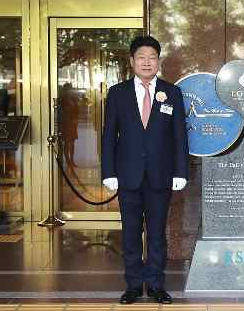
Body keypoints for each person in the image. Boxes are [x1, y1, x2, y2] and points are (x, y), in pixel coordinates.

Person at [101, 36, 189, 305]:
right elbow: (108, 137)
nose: (147, 62)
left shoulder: (171, 92)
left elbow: (179, 137)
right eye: (141, 57)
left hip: (160, 176)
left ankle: (155, 283)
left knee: (156, 233)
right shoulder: (118, 93)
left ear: (158, 62)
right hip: (127, 175)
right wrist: (109, 172)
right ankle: (133, 285)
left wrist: (180, 172)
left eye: (152, 57)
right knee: (129, 233)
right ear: (132, 62)